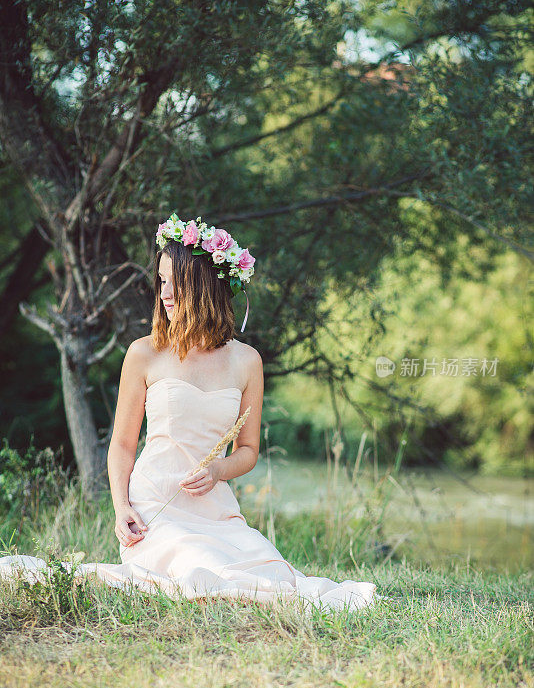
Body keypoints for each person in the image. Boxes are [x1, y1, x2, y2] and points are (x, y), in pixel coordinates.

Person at [0, 214, 378, 614]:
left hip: (216, 508)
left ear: (204, 286)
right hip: (155, 507)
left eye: (174, 282)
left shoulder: (246, 361)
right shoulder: (144, 353)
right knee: (202, 569)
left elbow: (248, 450)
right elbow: (123, 443)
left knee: (274, 575)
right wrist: (121, 507)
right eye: (161, 280)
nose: (164, 292)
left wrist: (217, 471)